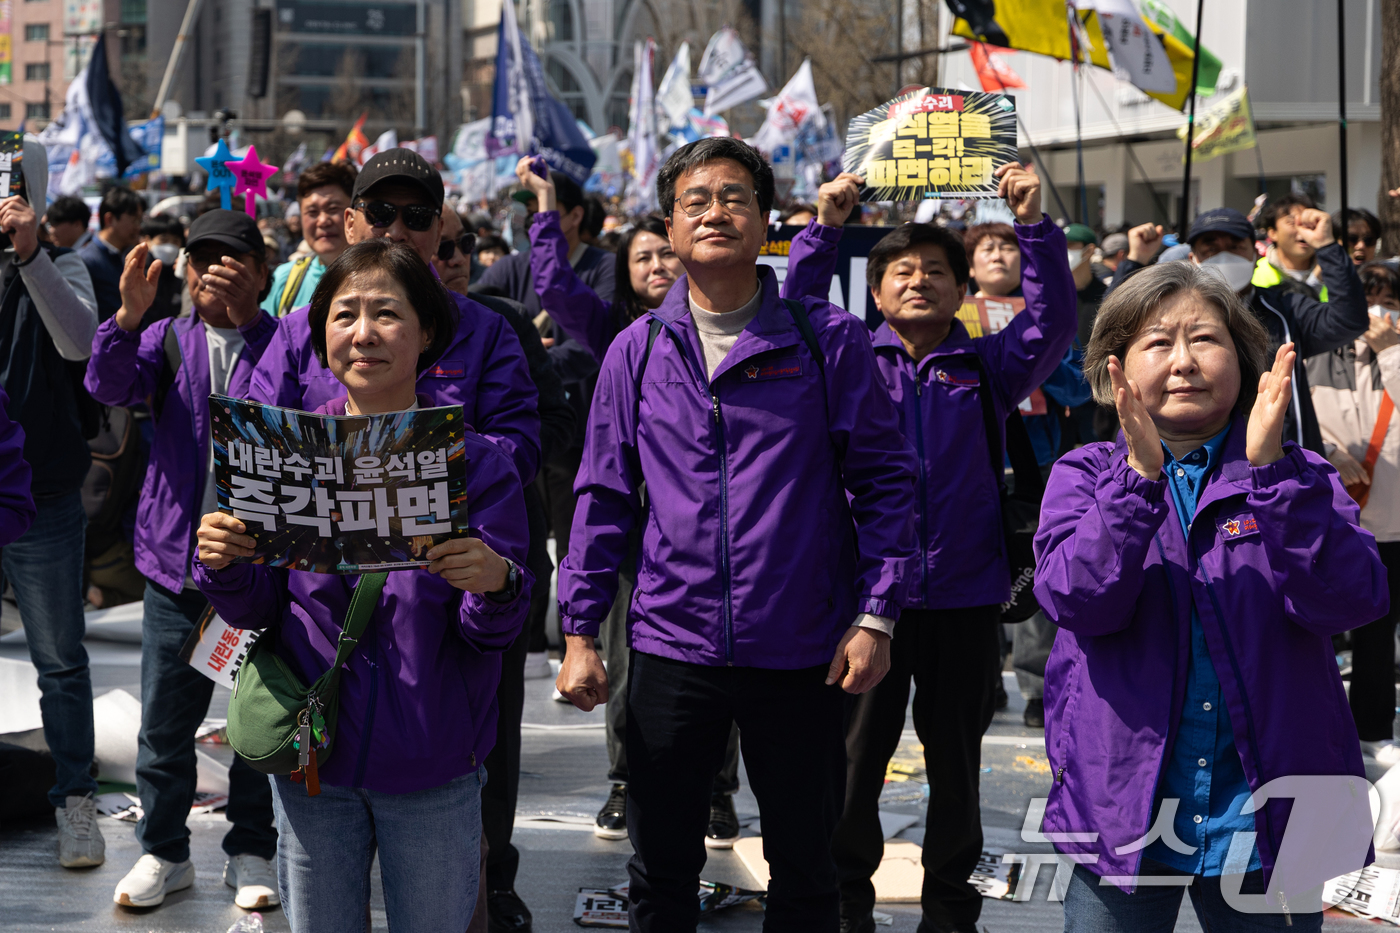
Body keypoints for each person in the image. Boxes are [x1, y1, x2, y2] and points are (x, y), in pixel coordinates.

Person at [557, 137, 918, 932]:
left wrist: (877, 615)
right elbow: (601, 497)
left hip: (804, 649)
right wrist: (580, 629)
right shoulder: (638, 349)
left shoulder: (827, 339)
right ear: (669, 225)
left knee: (805, 867)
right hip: (670, 648)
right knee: (660, 870)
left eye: (735, 198)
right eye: (697, 201)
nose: (716, 212)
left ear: (766, 223)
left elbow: (887, 484)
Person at [194, 238, 532, 933]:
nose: (364, 332)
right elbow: (260, 606)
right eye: (345, 313)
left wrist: (496, 585)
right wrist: (222, 565)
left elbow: (491, 631)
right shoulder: (281, 455)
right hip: (316, 764)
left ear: (426, 331)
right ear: (321, 334)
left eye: (387, 313)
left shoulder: (477, 464)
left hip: (435, 766)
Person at [1037, 260, 1386, 932]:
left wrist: (1272, 476)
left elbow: (1352, 599)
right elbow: (1081, 602)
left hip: (1271, 805)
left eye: (1205, 339)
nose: (1184, 361)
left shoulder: (1298, 474)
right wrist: (1138, 484)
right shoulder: (1085, 475)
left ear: (1244, 359)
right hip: (1125, 802)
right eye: (1158, 343)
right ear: (1117, 371)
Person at [785, 165, 1077, 932]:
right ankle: (848, 902)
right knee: (853, 766)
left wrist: (1034, 226)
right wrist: (824, 227)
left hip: (966, 598)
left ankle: (951, 909)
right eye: (902, 272)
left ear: (961, 291)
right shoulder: (844, 356)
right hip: (865, 604)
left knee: (958, 768)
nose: (920, 283)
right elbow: (793, 312)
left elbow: (1052, 323)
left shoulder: (988, 363)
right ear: (875, 293)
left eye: (937, 272)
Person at [85, 209, 282, 909]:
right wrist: (127, 317)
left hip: (262, 573)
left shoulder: (286, 343)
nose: (211, 271)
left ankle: (252, 846)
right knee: (165, 723)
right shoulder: (166, 339)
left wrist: (255, 319)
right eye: (200, 258)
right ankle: (163, 851)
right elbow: (106, 387)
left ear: (261, 269)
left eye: (231, 258)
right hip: (176, 567)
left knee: (260, 717)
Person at [434, 205, 575, 933]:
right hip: (367, 579)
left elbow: (548, 427)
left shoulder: (499, 325)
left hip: (485, 567)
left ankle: (495, 876)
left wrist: (457, 459)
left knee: (492, 731)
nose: (446, 255)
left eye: (457, 243)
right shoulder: (328, 317)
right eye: (385, 216)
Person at [248, 148, 540, 490]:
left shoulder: (487, 330)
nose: (397, 231)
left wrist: (421, 468)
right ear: (350, 223)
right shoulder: (296, 332)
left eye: (417, 216)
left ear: (438, 229)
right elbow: (257, 445)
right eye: (380, 213)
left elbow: (517, 448)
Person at [0, 137, 104, 869]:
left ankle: (76, 802)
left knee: (60, 660)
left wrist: (30, 252)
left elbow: (81, 345)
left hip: (43, 493)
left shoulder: (64, 262)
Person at [1117, 207, 1367, 455]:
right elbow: (1111, 334)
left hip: (1282, 466)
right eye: (1211, 248)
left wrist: (1326, 246)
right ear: (1193, 259)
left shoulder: (1286, 308)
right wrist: (1134, 261)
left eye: (1235, 246)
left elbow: (1349, 321)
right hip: (1196, 463)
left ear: (1255, 255)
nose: (1224, 256)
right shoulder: (1169, 312)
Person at [1307, 260, 1400, 766]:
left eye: (1387, 294)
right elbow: (1296, 418)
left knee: (1379, 634)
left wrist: (1392, 355)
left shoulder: (1395, 351)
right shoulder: (1314, 353)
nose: (1376, 306)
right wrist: (1327, 452)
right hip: (1336, 517)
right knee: (1324, 626)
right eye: (1366, 295)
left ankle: (1373, 725)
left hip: (1393, 517)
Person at [262, 161, 357, 318]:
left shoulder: (381, 279)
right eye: (312, 212)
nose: (323, 221)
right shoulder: (282, 280)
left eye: (333, 209)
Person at [80, 185, 145, 322]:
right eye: (134, 220)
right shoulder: (86, 260)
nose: (138, 227)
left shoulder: (128, 256)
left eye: (140, 221)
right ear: (110, 219)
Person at [1252, 193, 1325, 296]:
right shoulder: (1255, 273)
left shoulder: (1334, 273)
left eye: (1309, 223)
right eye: (1292, 223)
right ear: (1272, 232)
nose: (1303, 230)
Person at [138, 214, 184, 328]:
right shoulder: (139, 274)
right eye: (164, 240)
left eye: (175, 241)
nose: (170, 246)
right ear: (148, 240)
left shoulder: (181, 276)